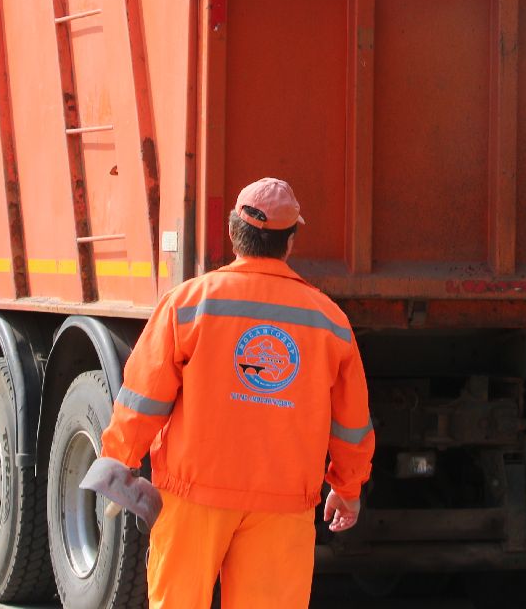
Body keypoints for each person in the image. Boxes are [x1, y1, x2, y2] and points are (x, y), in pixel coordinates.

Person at [91, 177, 374, 609]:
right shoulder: (330, 322)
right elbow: (352, 424)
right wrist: (348, 487)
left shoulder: (189, 303)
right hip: (283, 506)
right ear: (291, 241)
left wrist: (118, 460)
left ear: (232, 234)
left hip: (193, 497)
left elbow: (143, 396)